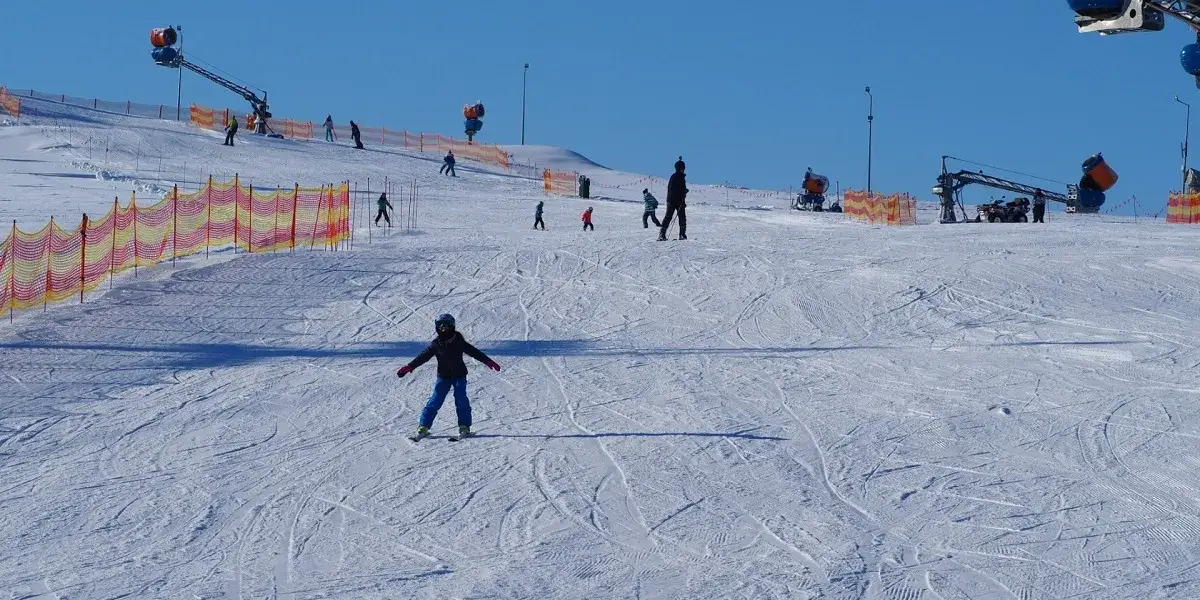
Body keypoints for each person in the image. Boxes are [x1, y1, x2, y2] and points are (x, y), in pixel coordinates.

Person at [397, 313, 501, 441]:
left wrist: (488, 361)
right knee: (435, 400)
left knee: (461, 400)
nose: (443, 329)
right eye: (440, 326)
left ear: (452, 326)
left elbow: (474, 352)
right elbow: (423, 357)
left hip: (459, 376)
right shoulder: (436, 344)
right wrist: (409, 367)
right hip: (443, 377)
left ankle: (464, 427)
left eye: (446, 326)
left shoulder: (459, 341)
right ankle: (423, 426)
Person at [659, 157, 688, 241]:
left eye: (683, 168)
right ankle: (662, 234)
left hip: (678, 200)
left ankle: (682, 234)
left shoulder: (681, 177)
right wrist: (682, 192)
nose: (682, 169)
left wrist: (683, 193)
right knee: (669, 217)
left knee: (681, 217)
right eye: (681, 168)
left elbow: (680, 190)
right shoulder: (676, 177)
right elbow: (673, 189)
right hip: (673, 200)